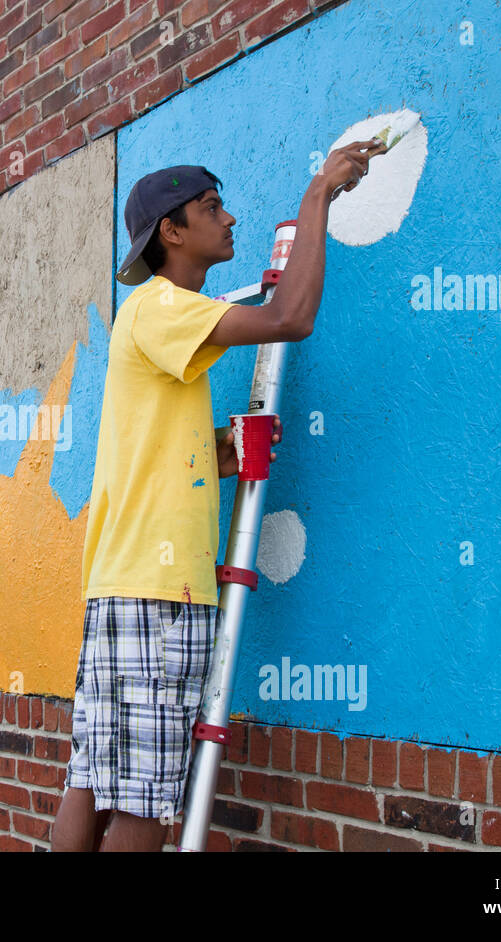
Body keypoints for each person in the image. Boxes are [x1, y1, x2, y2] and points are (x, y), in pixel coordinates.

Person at [50, 141, 383, 852]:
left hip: (122, 582)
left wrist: (225, 455)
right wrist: (318, 192)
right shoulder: (162, 305)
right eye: (210, 208)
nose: (229, 218)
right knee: (140, 803)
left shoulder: (154, 319)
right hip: (162, 596)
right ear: (171, 232)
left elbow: (160, 456)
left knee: (92, 781)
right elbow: (289, 316)